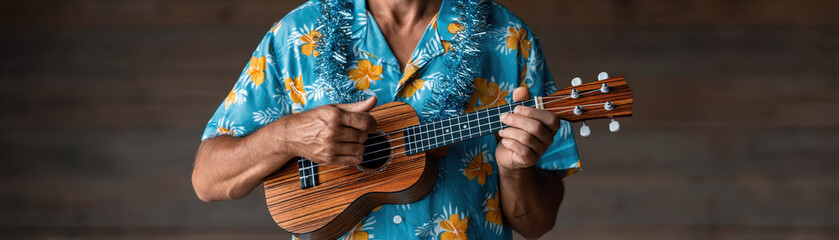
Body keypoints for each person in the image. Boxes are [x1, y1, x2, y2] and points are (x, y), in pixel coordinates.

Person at [191, 0, 581, 239]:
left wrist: (515, 171)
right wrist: (284, 137)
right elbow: (207, 179)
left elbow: (537, 225)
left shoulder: (509, 38)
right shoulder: (296, 35)